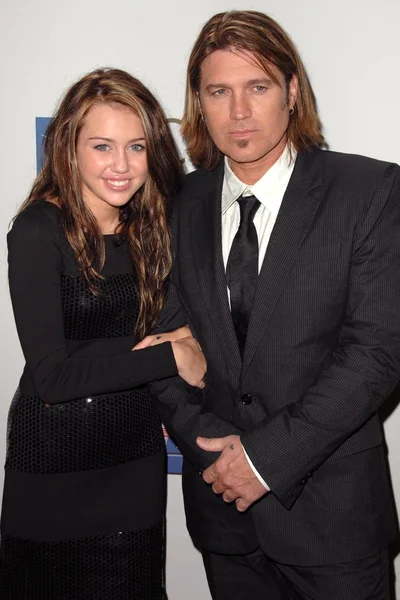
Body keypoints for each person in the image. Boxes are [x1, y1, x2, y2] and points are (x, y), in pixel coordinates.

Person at [145, 10, 400, 600]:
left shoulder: (368, 191)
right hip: (223, 517)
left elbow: (377, 352)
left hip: (333, 521)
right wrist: (214, 448)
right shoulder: (177, 203)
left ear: (291, 91)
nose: (238, 112)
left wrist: (261, 460)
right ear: (199, 105)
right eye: (219, 91)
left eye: (257, 87)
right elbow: (161, 342)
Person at [0, 67, 205, 600]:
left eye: (136, 147)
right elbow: (54, 376)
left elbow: (180, 326)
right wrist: (170, 356)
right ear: (69, 147)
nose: (121, 166)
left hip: (134, 455)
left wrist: (181, 343)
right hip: (53, 460)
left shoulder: (152, 228)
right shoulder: (37, 231)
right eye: (102, 146)